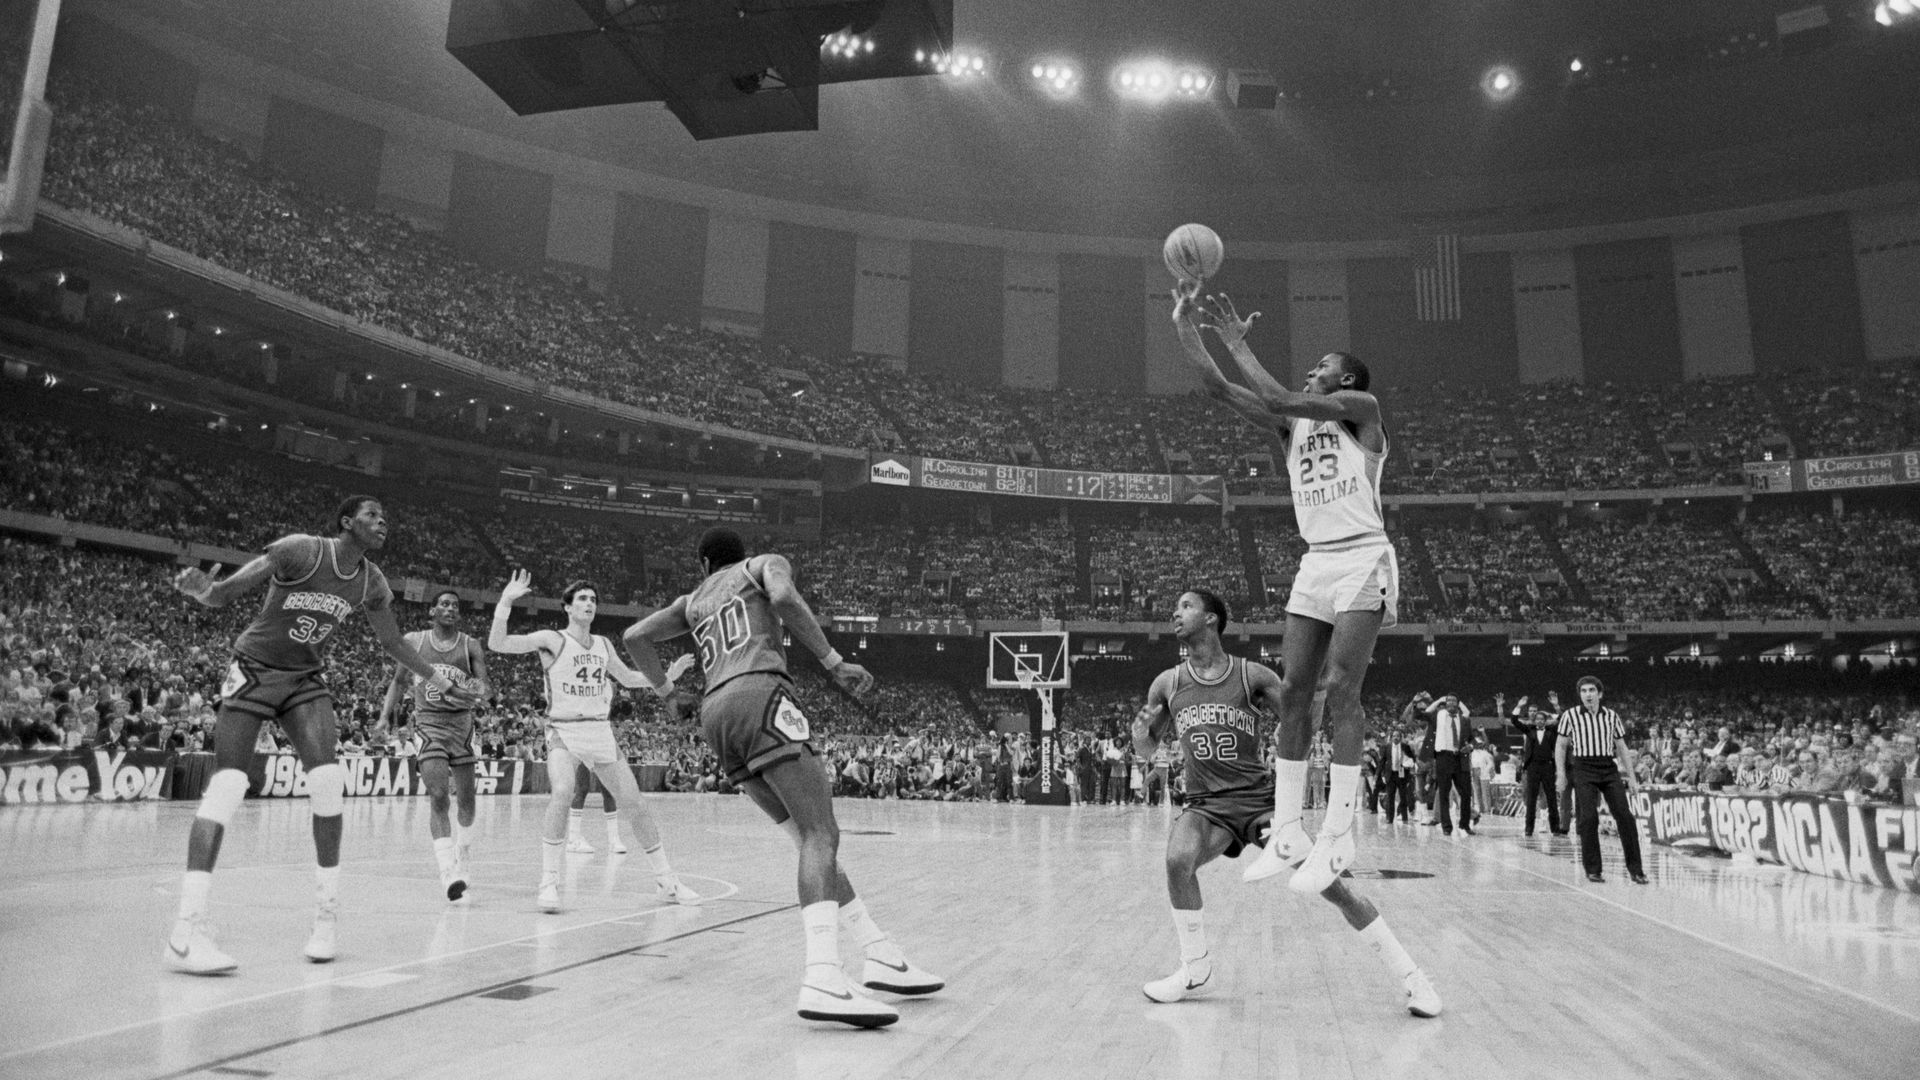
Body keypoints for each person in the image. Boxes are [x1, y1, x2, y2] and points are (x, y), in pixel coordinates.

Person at [622, 527, 942, 1028]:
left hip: (714, 714)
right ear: (739, 555)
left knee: (806, 839)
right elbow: (785, 596)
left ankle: (878, 952)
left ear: (704, 565)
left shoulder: (692, 600)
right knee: (822, 833)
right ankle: (822, 976)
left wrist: (666, 692)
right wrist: (833, 661)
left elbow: (634, 636)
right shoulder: (762, 564)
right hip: (760, 694)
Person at [165, 496, 475, 974]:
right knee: (227, 785)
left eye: (385, 516)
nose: (382, 521)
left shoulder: (371, 581)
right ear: (347, 522)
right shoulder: (300, 550)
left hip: (304, 680)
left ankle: (325, 919)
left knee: (329, 784)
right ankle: (186, 931)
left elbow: (392, 642)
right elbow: (224, 594)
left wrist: (435, 678)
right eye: (373, 514)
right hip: (254, 669)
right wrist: (202, 590)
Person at [1170, 282, 1399, 895]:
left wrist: (1238, 341)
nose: (1311, 370)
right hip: (1316, 561)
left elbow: (1274, 391)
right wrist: (1185, 328)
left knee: (1341, 689)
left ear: (1346, 382)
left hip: (1361, 558)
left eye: (1322, 366)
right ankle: (1292, 827)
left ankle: (1341, 831)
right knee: (1296, 691)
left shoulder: (1365, 411)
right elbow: (1218, 388)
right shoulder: (1290, 427)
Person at [1131, 589, 1440, 1017]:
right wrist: (1141, 730)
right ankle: (1195, 967)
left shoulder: (1251, 675)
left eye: (1185, 606)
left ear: (1212, 619)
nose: (1174, 613)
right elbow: (1146, 750)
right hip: (1205, 806)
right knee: (1176, 860)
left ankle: (1412, 977)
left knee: (1334, 885)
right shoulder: (1167, 683)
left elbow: (1301, 725)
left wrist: (1311, 687)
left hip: (1260, 802)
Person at [488, 572, 700, 914]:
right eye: (583, 599)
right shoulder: (551, 639)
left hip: (600, 731)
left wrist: (667, 677)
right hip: (564, 730)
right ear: (568, 607)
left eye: (593, 600)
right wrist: (506, 602)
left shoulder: (603, 644)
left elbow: (629, 679)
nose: (589, 604)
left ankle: (666, 879)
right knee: (562, 792)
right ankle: (549, 881)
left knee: (635, 803)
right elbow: (498, 644)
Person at [376, 589, 491, 901]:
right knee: (438, 795)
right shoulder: (415, 641)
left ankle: (463, 856)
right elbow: (399, 682)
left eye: (455, 604)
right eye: (444, 603)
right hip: (429, 725)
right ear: (432, 611)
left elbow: (486, 687)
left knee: (467, 801)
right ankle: (447, 873)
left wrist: (470, 690)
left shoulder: (470, 644)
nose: (450, 608)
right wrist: (385, 717)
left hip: (462, 727)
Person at [1554, 676, 1648, 885]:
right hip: (1583, 767)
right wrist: (1561, 774)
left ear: (1600, 694)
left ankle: (1636, 870)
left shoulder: (1612, 716)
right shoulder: (1570, 715)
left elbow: (1622, 748)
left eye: (1591, 691)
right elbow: (1561, 746)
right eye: (1584, 691)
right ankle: (1593, 869)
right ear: (1580, 695)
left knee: (1625, 817)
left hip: (1607, 766)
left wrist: (1632, 778)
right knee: (1588, 818)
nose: (1588, 694)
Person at [1412, 693, 1475, 836]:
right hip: (1443, 757)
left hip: (1460, 758)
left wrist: (1470, 747)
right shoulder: (1438, 716)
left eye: (1454, 700)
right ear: (1445, 703)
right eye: (1448, 700)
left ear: (1458, 704)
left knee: (1466, 793)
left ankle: (1464, 825)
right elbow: (1421, 714)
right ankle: (1447, 826)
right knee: (1444, 793)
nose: (1451, 703)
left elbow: (1471, 739)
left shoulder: (1464, 720)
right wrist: (1437, 700)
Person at [1507, 697, 1565, 836]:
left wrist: (1556, 706)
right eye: (1537, 719)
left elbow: (1563, 720)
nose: (1539, 721)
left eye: (1542, 719)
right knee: (1531, 799)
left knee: (1551, 798)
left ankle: (1555, 828)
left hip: (1548, 767)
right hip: (1532, 767)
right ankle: (1529, 828)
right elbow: (1514, 721)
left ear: (1545, 721)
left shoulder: (1551, 730)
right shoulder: (1529, 730)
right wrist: (1519, 706)